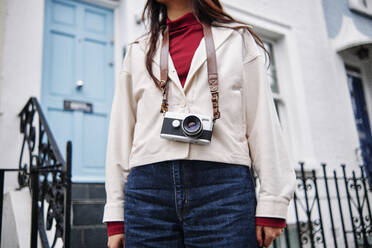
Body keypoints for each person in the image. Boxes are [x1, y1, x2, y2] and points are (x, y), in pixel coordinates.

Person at [102, 0, 297, 247]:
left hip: (223, 189)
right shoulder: (138, 50)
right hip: (147, 193)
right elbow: (121, 131)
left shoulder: (238, 40)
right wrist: (116, 214)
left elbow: (263, 121)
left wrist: (273, 200)